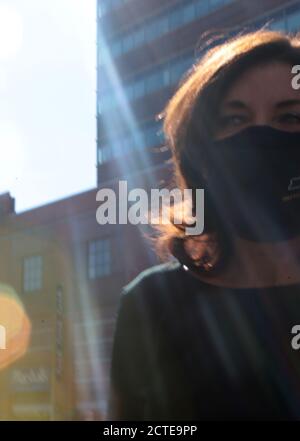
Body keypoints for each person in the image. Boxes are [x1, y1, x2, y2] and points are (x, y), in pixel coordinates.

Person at [107, 29, 300, 420]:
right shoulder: (149, 304)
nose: (260, 137)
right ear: (200, 152)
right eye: (234, 119)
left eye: (290, 117)